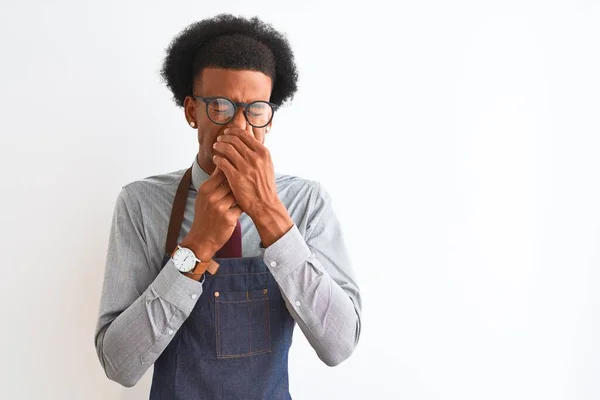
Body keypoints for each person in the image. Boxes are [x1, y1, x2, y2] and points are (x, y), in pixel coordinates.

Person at [94, 13, 362, 399]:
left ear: (269, 120)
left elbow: (340, 346)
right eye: (220, 107)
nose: (239, 127)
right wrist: (197, 245)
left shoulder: (307, 203)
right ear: (192, 112)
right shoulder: (141, 203)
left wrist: (270, 214)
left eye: (255, 110)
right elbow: (119, 364)